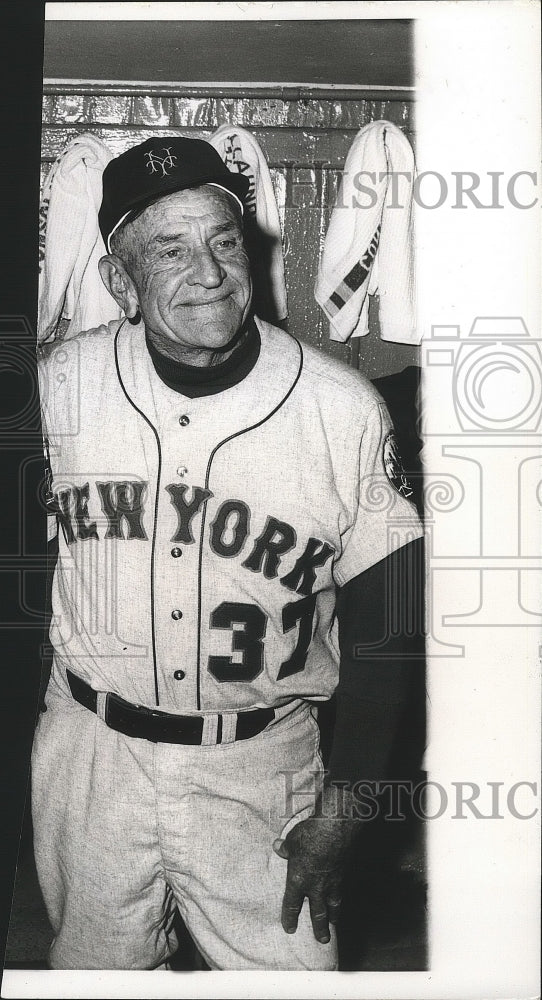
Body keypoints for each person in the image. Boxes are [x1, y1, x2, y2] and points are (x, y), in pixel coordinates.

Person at [33, 136, 424, 971]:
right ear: (118, 282)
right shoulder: (57, 386)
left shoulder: (342, 409)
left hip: (260, 764)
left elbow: (391, 621)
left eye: (223, 240)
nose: (208, 272)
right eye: (168, 249)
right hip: (92, 759)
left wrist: (351, 797)